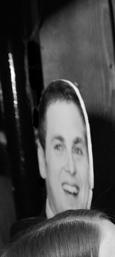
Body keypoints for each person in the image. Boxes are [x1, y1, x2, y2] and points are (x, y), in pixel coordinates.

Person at [10, 79, 94, 238]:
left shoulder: (112, 244)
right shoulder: (25, 246)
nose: (71, 168)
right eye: (59, 147)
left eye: (77, 150)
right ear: (42, 160)